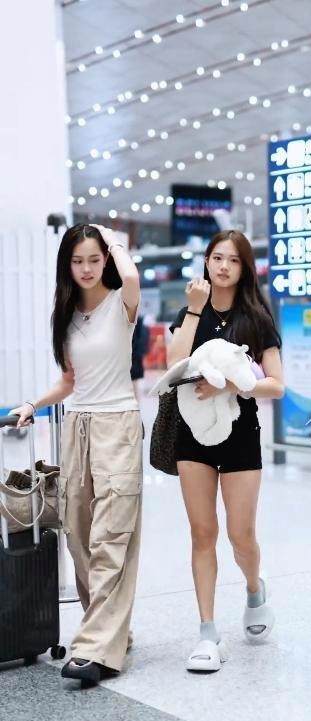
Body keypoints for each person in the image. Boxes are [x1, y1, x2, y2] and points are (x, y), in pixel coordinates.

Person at [12, 223, 142, 685]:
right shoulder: (65, 314)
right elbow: (69, 382)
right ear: (66, 265)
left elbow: (130, 275)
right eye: (77, 260)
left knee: (111, 535)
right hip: (76, 427)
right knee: (79, 535)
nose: (86, 269)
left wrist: (111, 238)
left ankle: (96, 648)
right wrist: (33, 404)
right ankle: (110, 630)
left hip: (118, 425)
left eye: (94, 259)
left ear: (105, 259)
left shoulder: (122, 302)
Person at [167, 230, 284, 672]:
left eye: (233, 260)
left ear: (244, 268)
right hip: (192, 434)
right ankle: (207, 631)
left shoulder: (256, 318)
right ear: (206, 262)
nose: (223, 266)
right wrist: (194, 309)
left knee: (240, 535)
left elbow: (276, 384)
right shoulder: (189, 312)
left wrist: (231, 385)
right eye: (217, 257)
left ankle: (254, 588)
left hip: (240, 435)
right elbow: (173, 364)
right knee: (202, 533)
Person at [130, 314, 149, 401]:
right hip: (134, 356)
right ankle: (135, 401)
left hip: (134, 357)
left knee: (134, 382)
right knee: (134, 383)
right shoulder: (140, 323)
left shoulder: (138, 322)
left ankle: (135, 401)